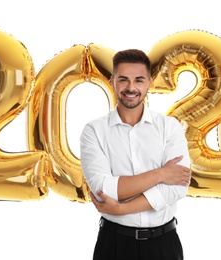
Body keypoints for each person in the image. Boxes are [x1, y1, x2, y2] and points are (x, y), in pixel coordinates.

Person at [80, 49, 192, 260]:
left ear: (149, 82)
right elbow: (103, 189)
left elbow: (177, 187)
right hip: (114, 245)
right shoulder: (94, 131)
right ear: (113, 81)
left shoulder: (169, 127)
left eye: (138, 80)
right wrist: (161, 174)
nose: (131, 88)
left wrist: (122, 209)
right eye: (123, 80)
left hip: (164, 245)